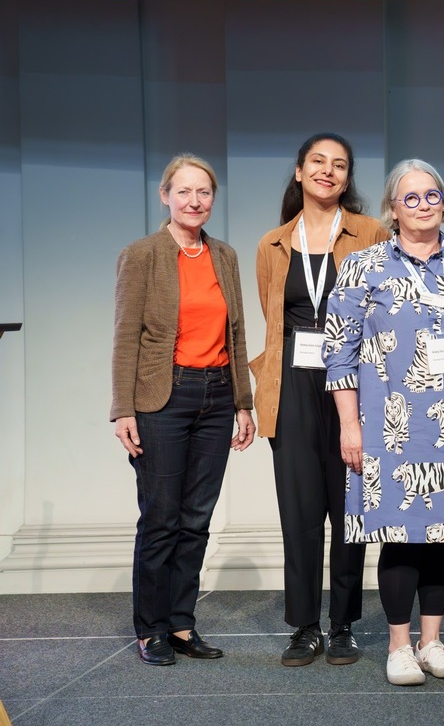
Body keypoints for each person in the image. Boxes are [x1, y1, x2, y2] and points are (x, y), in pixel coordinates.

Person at [324, 158, 444, 686]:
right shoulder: (363, 266)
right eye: (410, 197)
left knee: (440, 536)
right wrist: (350, 425)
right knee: (400, 533)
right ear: (393, 208)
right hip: (389, 421)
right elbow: (338, 352)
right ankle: (398, 646)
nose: (422, 205)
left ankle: (433, 641)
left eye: (432, 195)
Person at [251, 133, 390, 667]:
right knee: (300, 507)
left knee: (350, 504)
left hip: (353, 379)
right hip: (291, 378)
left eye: (339, 166)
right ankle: (305, 626)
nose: (327, 172)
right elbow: (271, 322)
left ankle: (343, 624)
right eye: (318, 163)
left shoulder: (371, 233)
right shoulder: (272, 244)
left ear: (347, 177)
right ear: (299, 171)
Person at [111, 154, 256, 665]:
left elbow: (235, 334)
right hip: (162, 398)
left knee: (196, 519)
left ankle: (180, 624)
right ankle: (150, 629)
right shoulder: (143, 253)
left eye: (204, 193)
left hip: (218, 397)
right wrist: (122, 409)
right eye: (185, 192)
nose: (195, 201)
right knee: (161, 519)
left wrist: (243, 401)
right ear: (165, 196)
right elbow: (126, 335)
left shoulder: (225, 256)